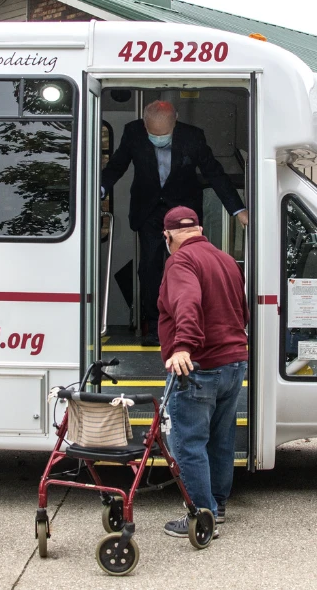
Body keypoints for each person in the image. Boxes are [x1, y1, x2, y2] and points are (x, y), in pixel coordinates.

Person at [101, 99, 248, 345]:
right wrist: (100, 188)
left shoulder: (193, 137)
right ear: (145, 126)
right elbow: (117, 166)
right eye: (153, 135)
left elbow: (214, 173)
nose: (158, 140)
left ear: (175, 121)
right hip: (148, 209)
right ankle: (156, 326)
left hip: (183, 211)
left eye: (164, 135)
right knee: (149, 267)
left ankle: (189, 324)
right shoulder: (133, 132)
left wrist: (238, 210)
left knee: (188, 266)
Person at [155, 206, 248, 537]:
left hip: (200, 366)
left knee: (188, 442)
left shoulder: (180, 261)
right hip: (233, 363)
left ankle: (201, 516)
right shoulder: (225, 260)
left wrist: (183, 345)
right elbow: (242, 310)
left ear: (168, 236)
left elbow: (188, 302)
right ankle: (217, 506)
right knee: (221, 439)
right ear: (198, 229)